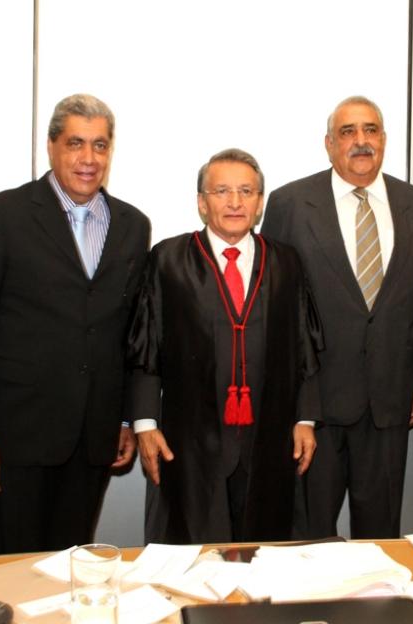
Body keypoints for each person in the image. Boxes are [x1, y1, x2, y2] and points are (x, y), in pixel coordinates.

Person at [0, 94, 150, 554]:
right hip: (14, 439)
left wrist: (125, 417)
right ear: (51, 146)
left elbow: (130, 332)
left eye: (100, 145)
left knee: (71, 570)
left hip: (92, 439)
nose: (89, 158)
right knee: (12, 573)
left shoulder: (133, 225)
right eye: (75, 143)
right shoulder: (2, 214)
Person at [128, 149, 320, 544]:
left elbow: (306, 347)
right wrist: (146, 425)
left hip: (269, 437)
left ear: (259, 203)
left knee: (266, 551)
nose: (235, 202)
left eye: (246, 191)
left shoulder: (285, 262)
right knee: (194, 551)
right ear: (202, 202)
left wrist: (306, 419)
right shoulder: (168, 260)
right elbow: (146, 348)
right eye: (222, 191)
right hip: (190, 442)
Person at [261, 96, 413, 539]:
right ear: (329, 144)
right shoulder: (290, 203)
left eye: (371, 130)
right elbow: (272, 308)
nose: (361, 140)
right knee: (308, 537)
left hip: (388, 405)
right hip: (314, 407)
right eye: (348, 131)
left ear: (385, 140)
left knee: (381, 538)